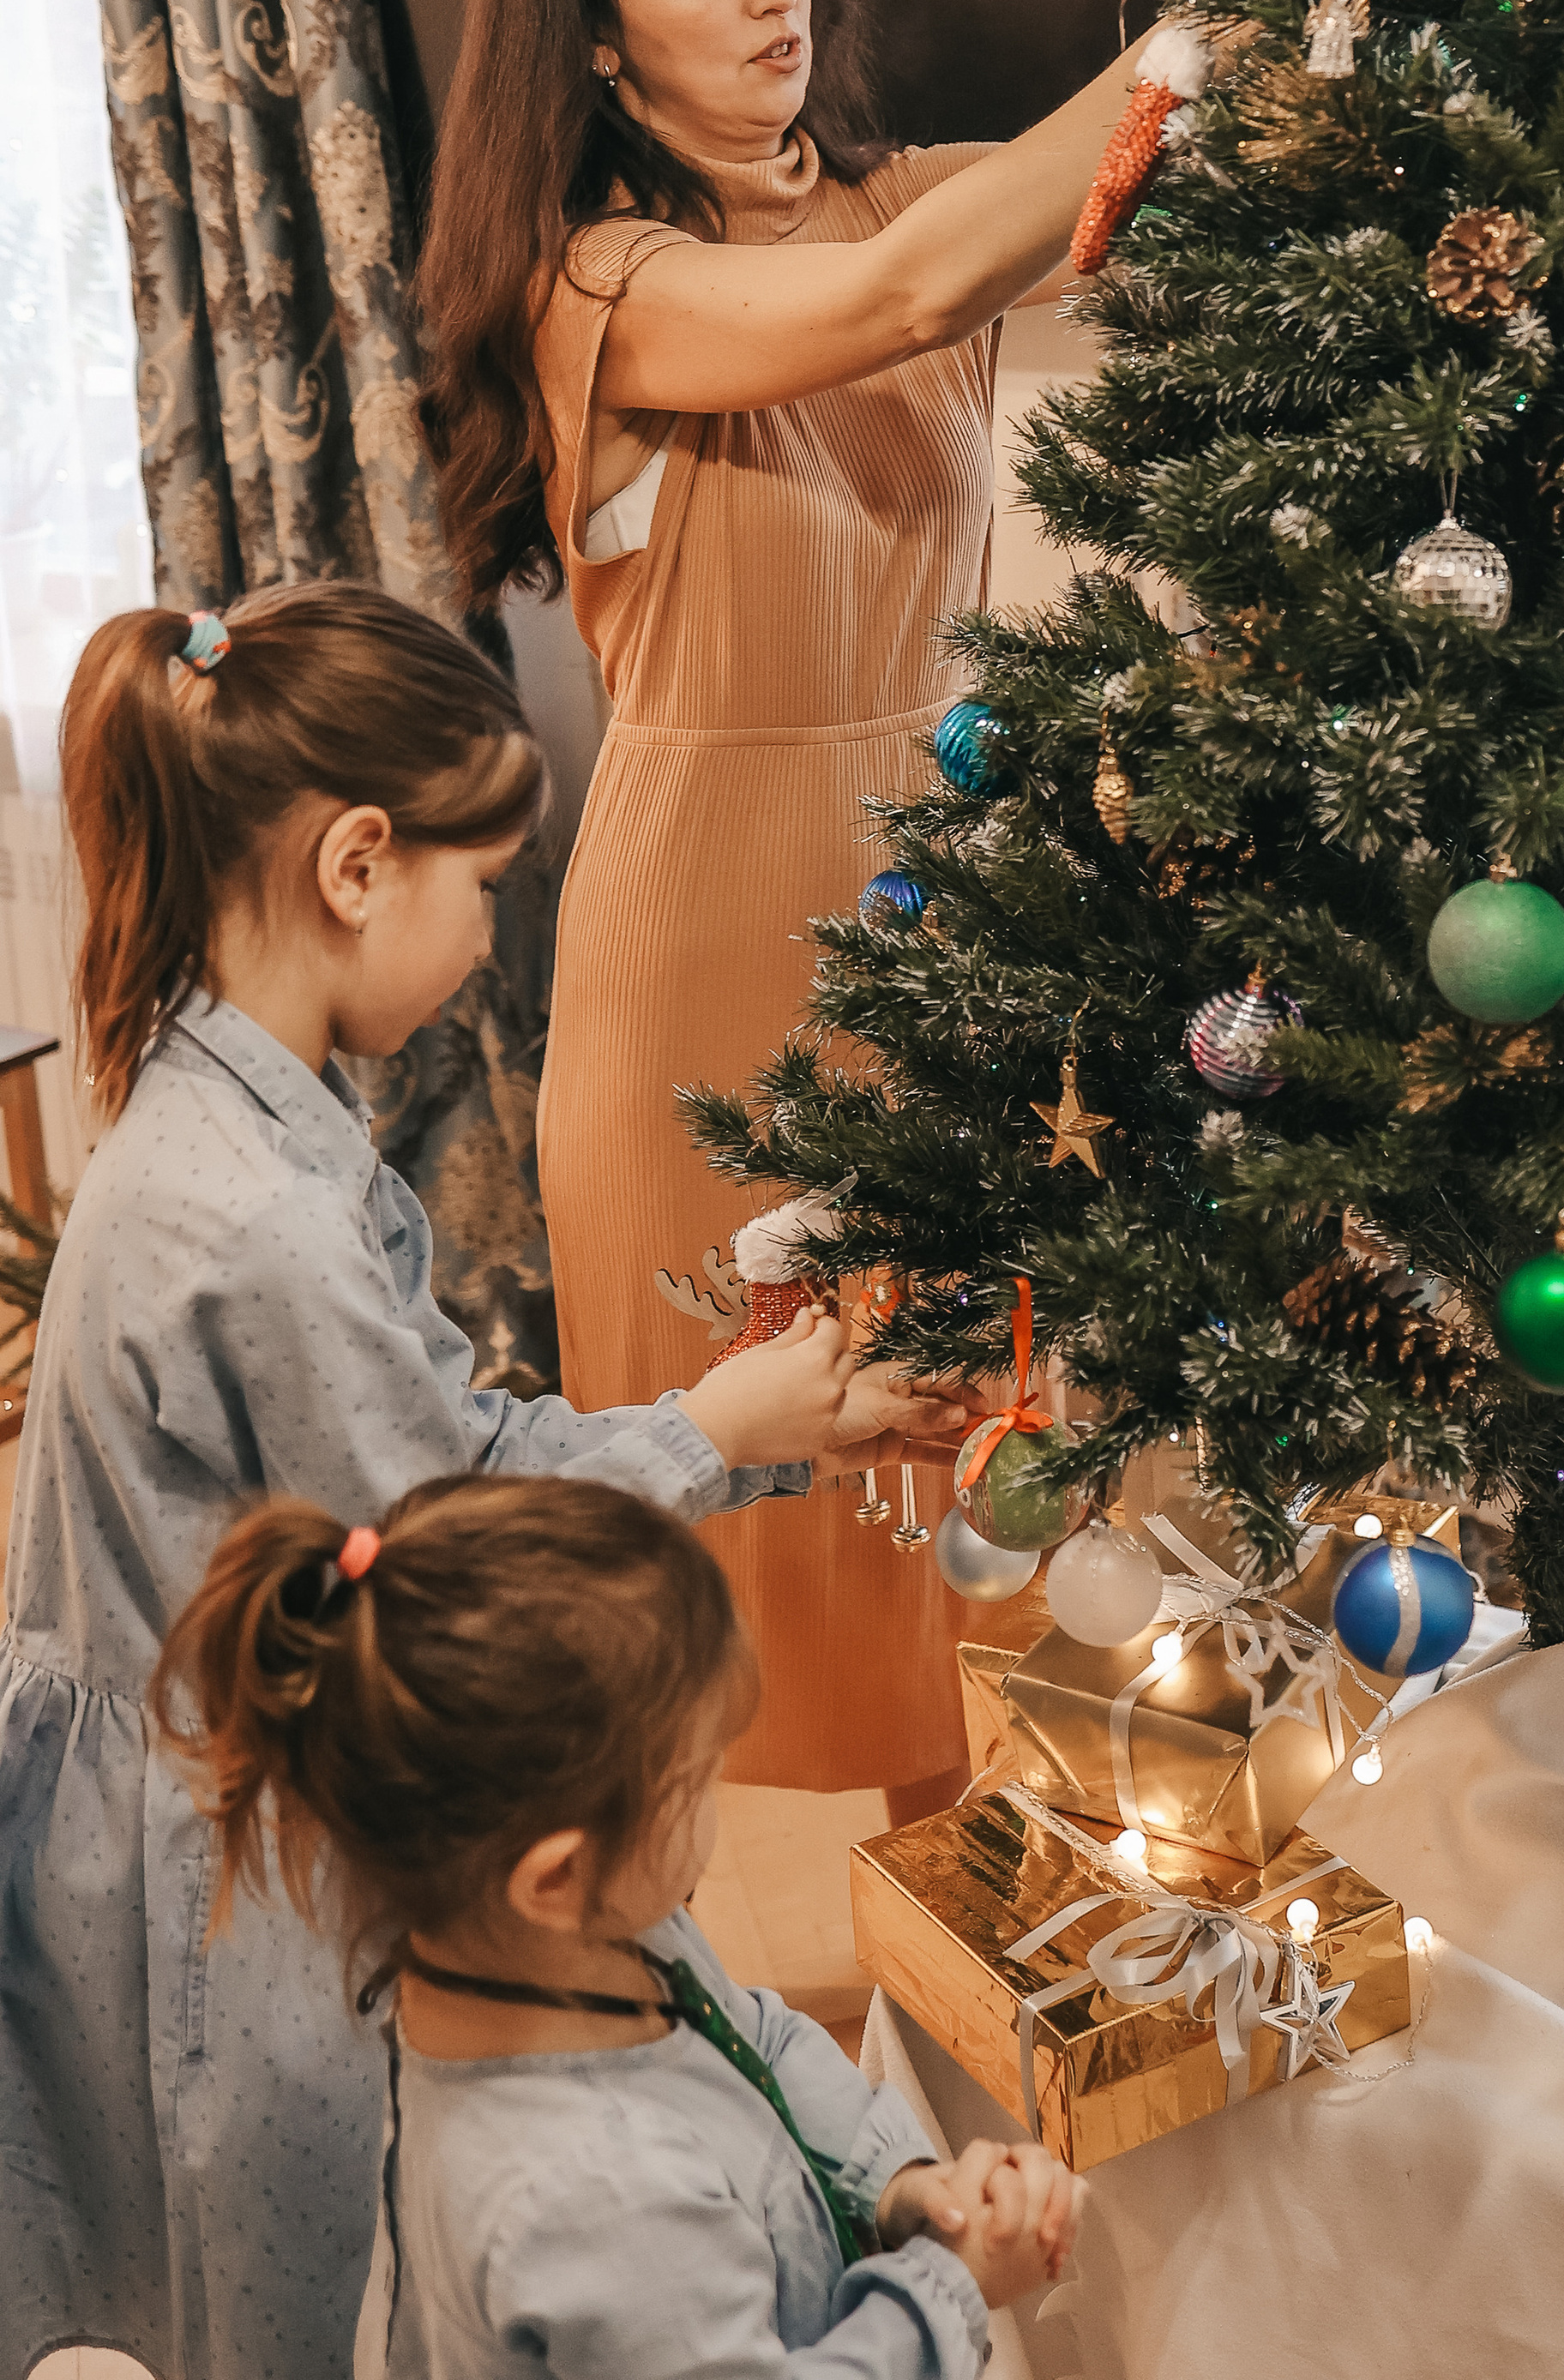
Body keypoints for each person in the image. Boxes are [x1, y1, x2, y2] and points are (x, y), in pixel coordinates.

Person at [0, 582, 964, 2380]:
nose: (486, 936)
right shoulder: (257, 1219)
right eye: (487, 886)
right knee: (286, 2293)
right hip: (230, 1856)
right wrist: (721, 1428)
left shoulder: (225, 1107)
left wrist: (748, 1429)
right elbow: (458, 1532)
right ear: (359, 864)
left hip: (186, 1797)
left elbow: (426, 1458)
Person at [417, 0, 1137, 1813]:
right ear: (594, 35)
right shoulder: (595, 281)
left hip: (927, 913)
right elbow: (893, 305)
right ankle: (675, 1967)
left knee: (967, 1460)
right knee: (732, 1520)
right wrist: (1172, 51)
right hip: (700, 941)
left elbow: (1060, 207)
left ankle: (957, 1941)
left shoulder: (904, 197)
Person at [151, 1471, 1083, 2378]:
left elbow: (753, 2041)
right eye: (696, 1780)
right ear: (556, 1875)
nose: (714, 1809)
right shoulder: (596, 2202)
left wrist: (900, 2189)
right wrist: (951, 2287)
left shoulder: (563, 1940)